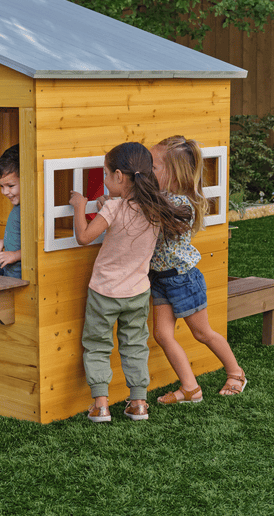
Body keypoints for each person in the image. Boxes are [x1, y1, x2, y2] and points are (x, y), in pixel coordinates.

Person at [70, 142, 191, 422]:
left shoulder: (113, 208)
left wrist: (79, 206)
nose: (105, 180)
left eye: (106, 175)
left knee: (98, 344)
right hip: (138, 292)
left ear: (120, 177)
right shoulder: (156, 209)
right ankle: (138, 403)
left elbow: (85, 237)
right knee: (135, 345)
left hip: (104, 292)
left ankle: (101, 405)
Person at [149, 136, 246, 404]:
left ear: (174, 173)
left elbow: (159, 213)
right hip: (159, 279)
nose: (147, 172)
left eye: (153, 166)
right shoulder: (160, 196)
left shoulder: (181, 205)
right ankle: (190, 388)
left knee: (202, 333)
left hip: (183, 280)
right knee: (162, 335)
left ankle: (236, 373)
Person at [0, 144, 21, 278]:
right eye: (1, 186)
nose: (5, 192)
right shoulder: (18, 207)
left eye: (11, 186)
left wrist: (15, 255)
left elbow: (38, 246)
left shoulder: (30, 210)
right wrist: (5, 242)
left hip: (22, 279)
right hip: (10, 275)